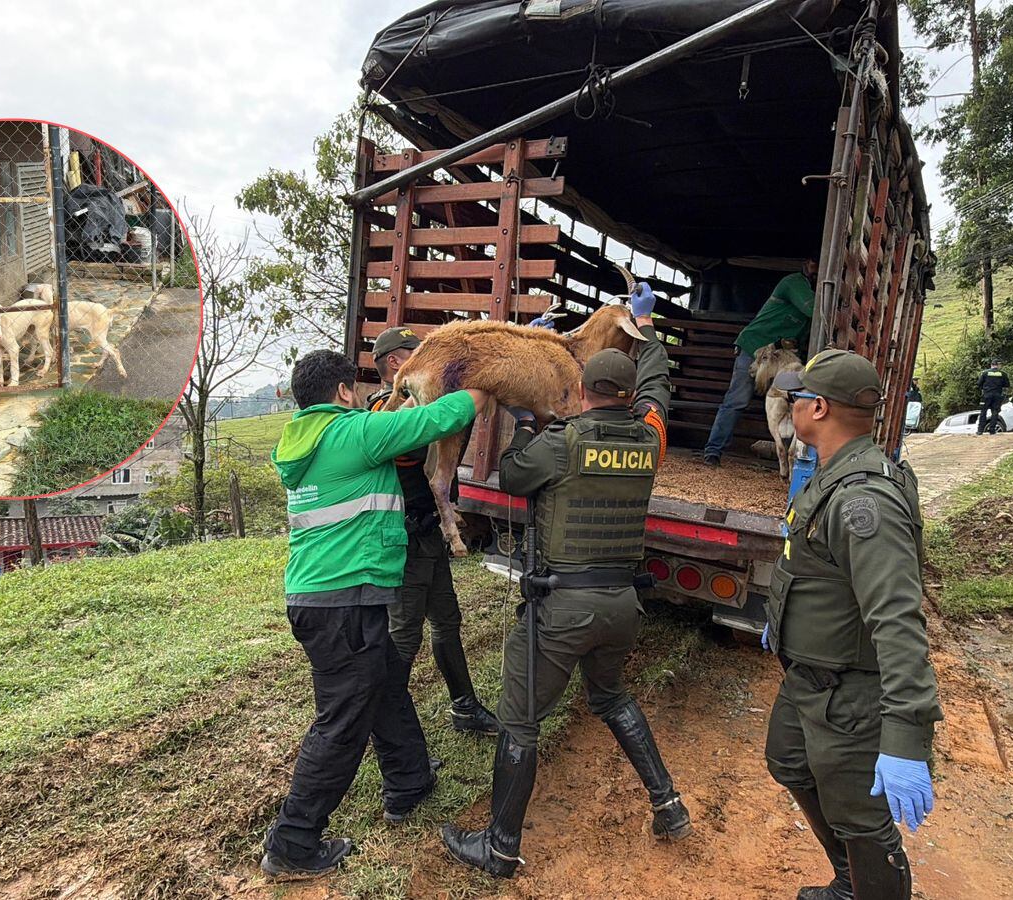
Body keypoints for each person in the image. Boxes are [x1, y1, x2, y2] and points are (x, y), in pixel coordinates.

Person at [441, 284, 691, 877]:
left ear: (580, 391)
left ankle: (500, 847)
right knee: (610, 696)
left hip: (563, 609)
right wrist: (646, 329)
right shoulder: (650, 439)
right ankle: (668, 803)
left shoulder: (561, 442)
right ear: (628, 397)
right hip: (623, 606)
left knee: (521, 717)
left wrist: (527, 424)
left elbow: (510, 477)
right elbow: (657, 389)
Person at [260, 349, 491, 880]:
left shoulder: (302, 439)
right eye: (356, 388)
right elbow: (445, 416)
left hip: (322, 595)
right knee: (341, 723)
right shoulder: (355, 433)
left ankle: (409, 780)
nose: (361, 396)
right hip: (344, 598)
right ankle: (293, 844)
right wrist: (484, 381)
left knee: (385, 684)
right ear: (343, 392)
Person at [761, 349, 942, 900]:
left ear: (818, 408)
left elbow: (897, 619)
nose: (789, 405)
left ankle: (871, 885)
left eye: (795, 398)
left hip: (850, 694)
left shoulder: (864, 499)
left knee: (863, 820)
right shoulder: (833, 473)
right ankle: (851, 882)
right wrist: (781, 621)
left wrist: (906, 737)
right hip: (809, 679)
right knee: (787, 759)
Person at [367, 326, 499, 734]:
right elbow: (426, 428)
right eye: (419, 351)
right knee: (403, 639)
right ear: (396, 363)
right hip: (403, 543)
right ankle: (388, 733)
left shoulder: (426, 402)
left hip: (430, 536)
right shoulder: (381, 413)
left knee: (447, 621)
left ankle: (465, 708)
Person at [702, 260, 818, 465]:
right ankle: (713, 451)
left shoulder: (813, 293)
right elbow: (813, 310)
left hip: (781, 355)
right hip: (755, 348)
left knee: (792, 401)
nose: (814, 268)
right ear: (807, 265)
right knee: (738, 399)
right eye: (813, 264)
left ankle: (788, 457)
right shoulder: (794, 283)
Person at [977, 360, 1011, 435]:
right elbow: (1007, 385)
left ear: (991, 365)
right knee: (995, 412)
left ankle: (980, 430)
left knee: (983, 412)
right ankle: (992, 430)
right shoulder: (1003, 374)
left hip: (986, 395)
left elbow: (979, 384)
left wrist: (985, 388)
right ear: (998, 365)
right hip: (997, 396)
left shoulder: (985, 373)